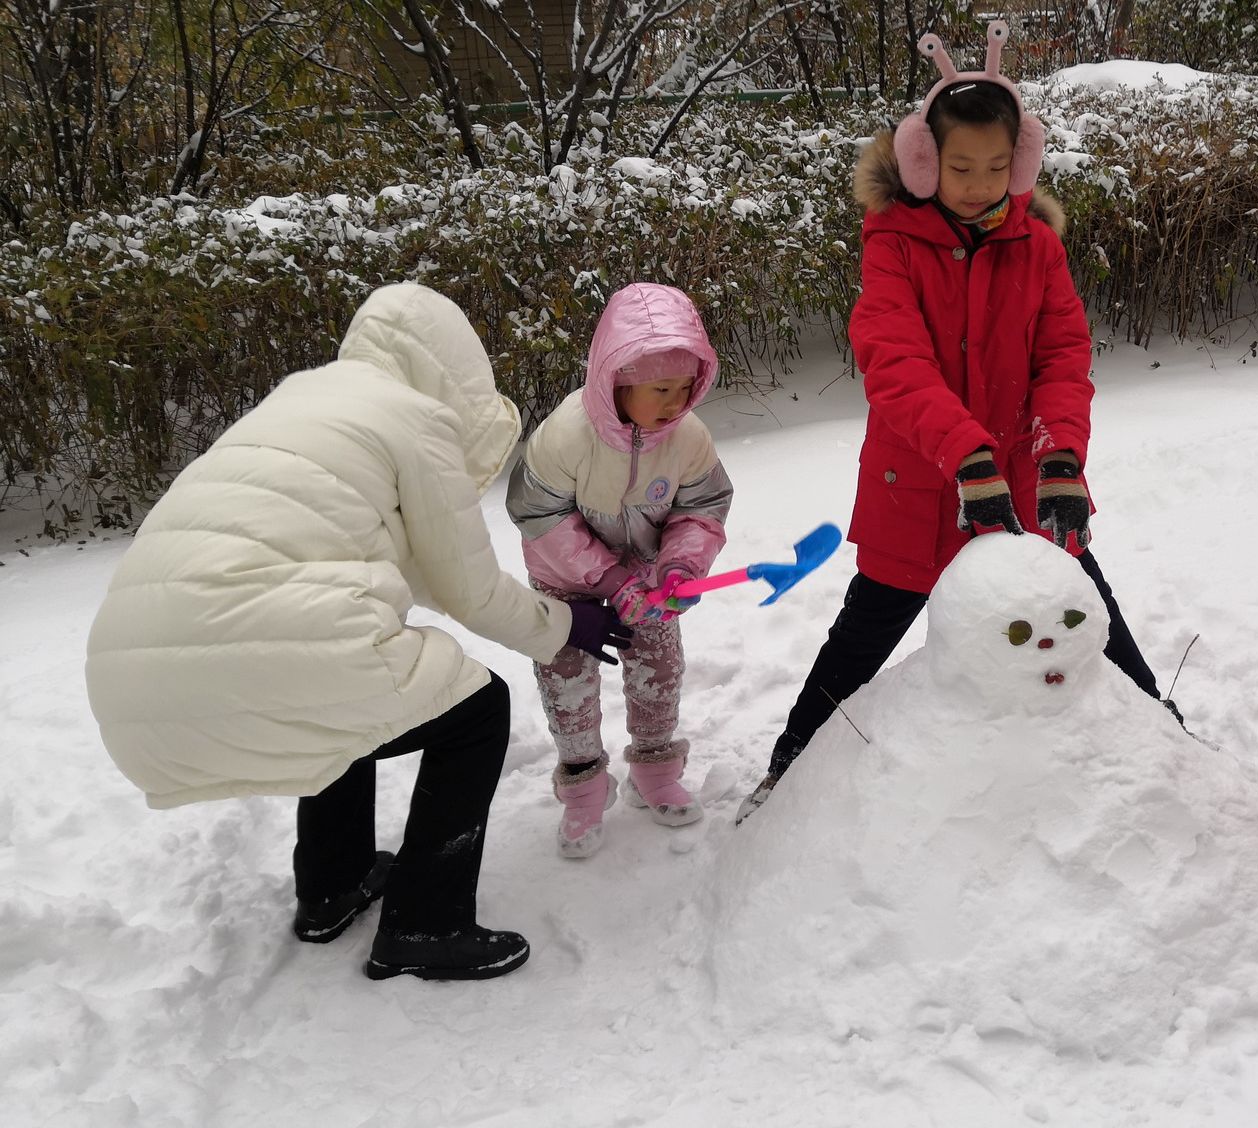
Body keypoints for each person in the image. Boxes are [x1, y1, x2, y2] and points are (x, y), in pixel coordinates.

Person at [85, 283, 632, 982]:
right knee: (473, 706)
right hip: (249, 639)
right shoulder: (415, 417)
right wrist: (564, 626)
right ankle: (426, 924)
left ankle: (332, 885)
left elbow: (414, 571)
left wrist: (546, 621)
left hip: (129, 684)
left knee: (347, 677)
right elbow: (469, 590)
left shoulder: (298, 403)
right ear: (454, 371)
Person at [738, 24, 1173, 823]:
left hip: (1019, 496)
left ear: (1024, 162)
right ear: (922, 162)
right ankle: (788, 775)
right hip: (920, 492)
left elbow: (1061, 362)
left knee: (1088, 617)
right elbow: (894, 362)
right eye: (960, 167)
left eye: (998, 167)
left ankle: (1168, 742)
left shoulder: (1037, 250)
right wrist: (967, 459)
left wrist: (1061, 462)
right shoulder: (892, 249)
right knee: (860, 647)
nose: (979, 184)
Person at [506, 282, 732, 854]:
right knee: (567, 677)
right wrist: (608, 580)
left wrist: (680, 566)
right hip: (565, 574)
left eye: (686, 389)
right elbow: (539, 514)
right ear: (617, 381)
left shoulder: (688, 438)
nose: (676, 403)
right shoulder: (565, 435)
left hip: (649, 567)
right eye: (661, 389)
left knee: (658, 665)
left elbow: (701, 507)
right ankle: (583, 786)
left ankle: (655, 769)